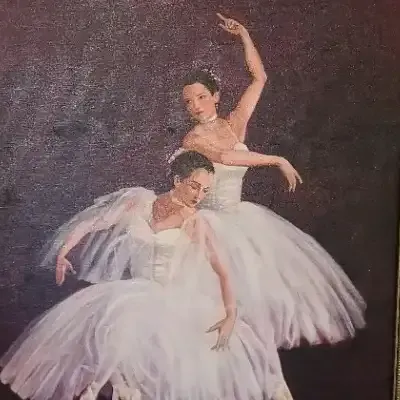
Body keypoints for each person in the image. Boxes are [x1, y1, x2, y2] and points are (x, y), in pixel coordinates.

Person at [1, 151, 286, 400]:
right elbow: (93, 223)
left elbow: (222, 269)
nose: (199, 196)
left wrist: (231, 314)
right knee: (110, 337)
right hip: (132, 294)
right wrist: (64, 251)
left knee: (153, 358)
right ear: (177, 180)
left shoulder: (195, 221)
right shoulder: (139, 203)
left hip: (169, 300)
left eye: (205, 191)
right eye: (194, 186)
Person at [176, 14, 366, 351]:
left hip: (240, 221)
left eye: (201, 97)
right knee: (205, 309)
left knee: (249, 310)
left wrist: (244, 35)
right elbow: (226, 158)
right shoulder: (193, 139)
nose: (195, 106)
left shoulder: (235, 123)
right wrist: (277, 159)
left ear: (216, 96)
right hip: (208, 225)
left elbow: (259, 77)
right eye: (188, 102)